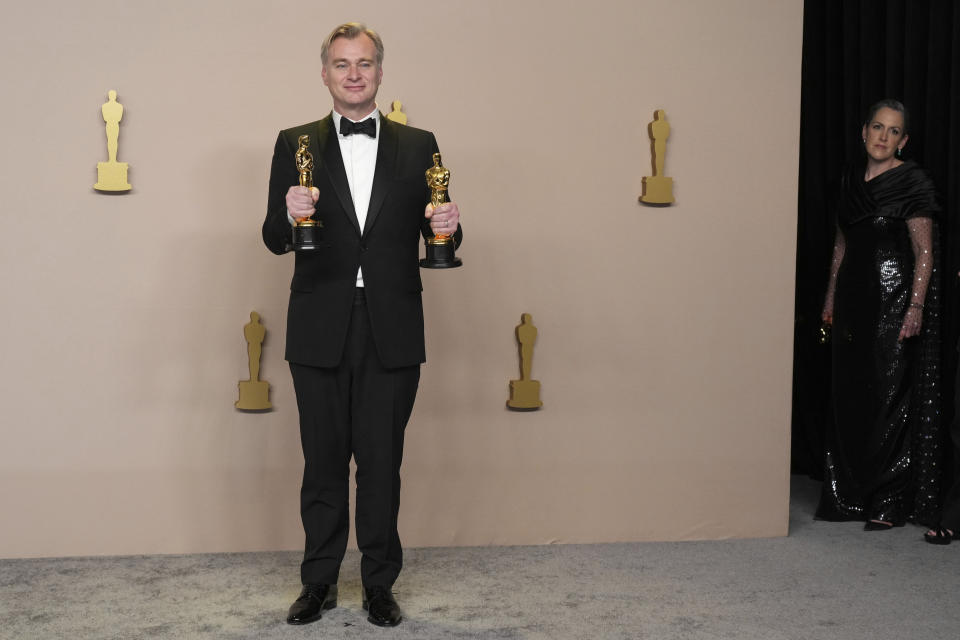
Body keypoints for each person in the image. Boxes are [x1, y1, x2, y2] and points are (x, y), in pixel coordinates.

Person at [261, 22, 462, 627]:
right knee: (322, 462)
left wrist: (449, 221)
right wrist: (288, 212)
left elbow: (439, 233)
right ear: (324, 73)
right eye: (342, 64)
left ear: (380, 72)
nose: (354, 74)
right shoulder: (293, 141)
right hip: (319, 323)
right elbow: (275, 237)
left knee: (381, 462)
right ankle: (318, 582)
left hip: (391, 325)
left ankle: (379, 584)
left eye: (365, 64)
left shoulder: (420, 143)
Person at [816, 99, 942, 530]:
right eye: (877, 128)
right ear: (864, 132)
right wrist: (831, 297)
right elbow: (840, 246)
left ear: (903, 140)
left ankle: (887, 502)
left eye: (893, 131)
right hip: (852, 300)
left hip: (893, 300)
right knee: (849, 394)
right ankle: (845, 496)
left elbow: (925, 251)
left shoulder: (912, 181)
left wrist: (916, 306)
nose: (883, 137)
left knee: (888, 398)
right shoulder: (850, 180)